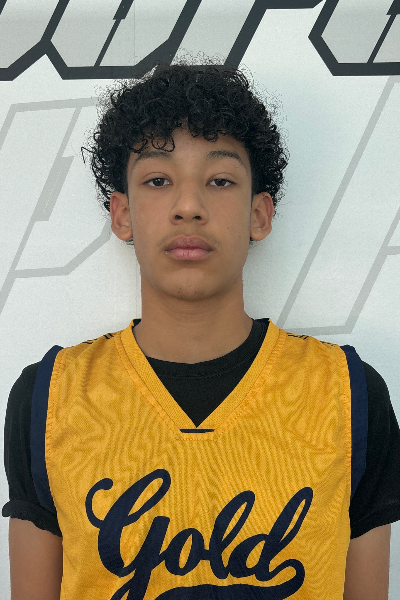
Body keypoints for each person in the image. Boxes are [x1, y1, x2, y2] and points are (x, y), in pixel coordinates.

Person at [3, 61, 400, 600]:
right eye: (158, 181)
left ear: (259, 214)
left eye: (219, 181)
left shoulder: (350, 396)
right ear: (122, 214)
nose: (188, 207)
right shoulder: (48, 399)